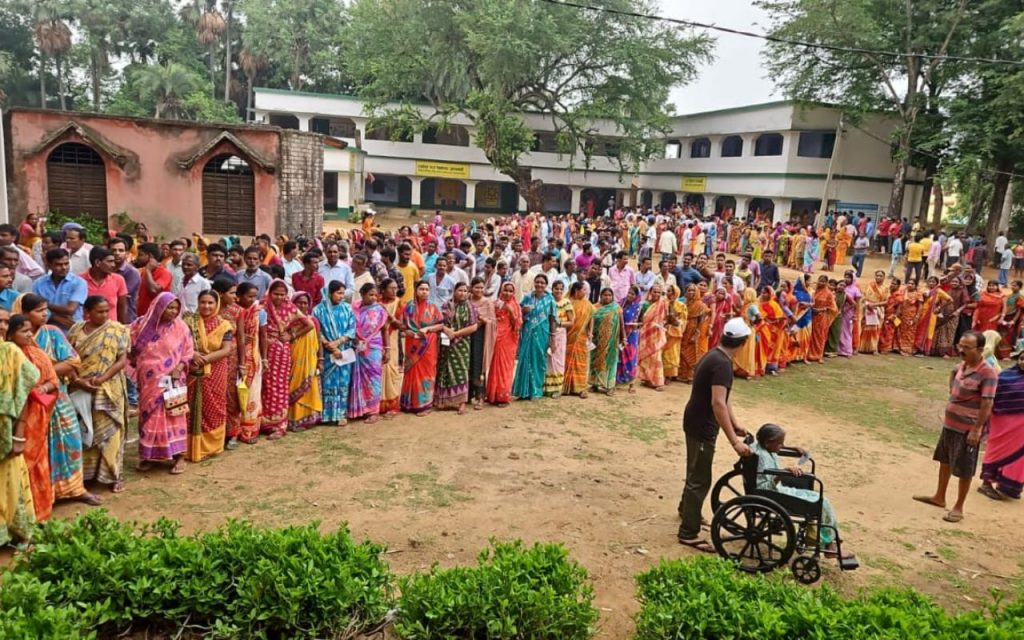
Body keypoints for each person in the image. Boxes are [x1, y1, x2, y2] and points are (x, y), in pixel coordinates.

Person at [16, 293, 102, 507]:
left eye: (46, 309)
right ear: (24, 314)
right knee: (40, 446)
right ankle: (45, 493)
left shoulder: (53, 333)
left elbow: (73, 362)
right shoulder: (16, 339)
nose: (45, 314)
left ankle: (75, 488)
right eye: (38, 311)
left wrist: (43, 375)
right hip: (32, 403)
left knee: (69, 441)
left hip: (58, 397)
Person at [677, 317, 753, 551]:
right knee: (699, 478)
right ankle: (688, 532)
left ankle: (687, 510)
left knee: (695, 470)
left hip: (695, 420)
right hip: (702, 426)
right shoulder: (722, 365)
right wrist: (734, 442)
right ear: (742, 343)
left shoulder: (714, 356)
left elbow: (723, 399)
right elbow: (718, 403)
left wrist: (735, 424)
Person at [914, 331, 997, 523]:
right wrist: (953, 390)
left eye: (966, 348)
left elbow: (987, 403)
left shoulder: (987, 372)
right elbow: (954, 372)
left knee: (964, 468)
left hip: (968, 429)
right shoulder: (963, 365)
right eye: (960, 345)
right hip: (950, 424)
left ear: (979, 349)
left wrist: (977, 429)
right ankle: (939, 497)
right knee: (945, 460)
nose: (961, 350)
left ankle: (959, 506)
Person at [752, 424, 853, 558]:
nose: (782, 446)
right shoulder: (761, 457)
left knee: (820, 499)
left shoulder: (763, 448)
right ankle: (830, 545)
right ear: (767, 442)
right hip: (773, 494)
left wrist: (791, 448)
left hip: (779, 490)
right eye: (780, 443)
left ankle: (831, 542)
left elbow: (772, 447)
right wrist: (782, 473)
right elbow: (762, 487)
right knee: (821, 503)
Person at [67, 297, 129, 493]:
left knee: (111, 431)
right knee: (85, 429)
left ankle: (114, 474)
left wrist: (102, 378)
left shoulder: (117, 330)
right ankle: (87, 474)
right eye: (99, 312)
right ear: (87, 312)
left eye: (106, 311)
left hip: (109, 387)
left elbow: (121, 360)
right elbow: (67, 357)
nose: (104, 315)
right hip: (80, 387)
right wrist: (77, 380)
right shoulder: (76, 330)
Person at [130, 292, 194, 475]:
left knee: (174, 414)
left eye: (176, 308)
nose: (173, 311)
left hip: (173, 377)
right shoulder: (141, 325)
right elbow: (129, 346)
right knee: (148, 416)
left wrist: (179, 367)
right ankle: (148, 456)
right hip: (149, 379)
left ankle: (179, 456)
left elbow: (188, 351)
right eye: (169, 307)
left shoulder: (181, 327)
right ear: (159, 307)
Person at [0, 308, 41, 544]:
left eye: (6, 322)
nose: (3, 327)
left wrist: (19, 434)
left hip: (6, 430)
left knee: (11, 480)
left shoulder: (11, 352)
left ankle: (17, 533)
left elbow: (25, 394)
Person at [183, 290, 235, 462]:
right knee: (190, 406)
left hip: (216, 370)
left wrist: (203, 359)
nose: (206, 306)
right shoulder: (189, 322)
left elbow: (226, 350)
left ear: (217, 304)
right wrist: (193, 355)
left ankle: (211, 446)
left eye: (210, 303)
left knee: (214, 406)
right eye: (203, 302)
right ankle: (188, 446)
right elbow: (182, 344)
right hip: (192, 369)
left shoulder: (224, 325)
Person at [261, 280, 312, 439]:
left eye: (282, 294)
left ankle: (279, 425)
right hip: (263, 349)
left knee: (279, 386)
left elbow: (309, 324)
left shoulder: (290, 307)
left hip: (281, 350)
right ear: (269, 293)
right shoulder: (262, 306)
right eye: (276, 294)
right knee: (265, 385)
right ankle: (263, 422)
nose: (279, 297)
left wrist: (292, 334)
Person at [979, 350, 1024, 500]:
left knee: (1019, 457)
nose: (1023, 362)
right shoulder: (1005, 377)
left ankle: (1009, 486)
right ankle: (986, 483)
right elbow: (993, 398)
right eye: (1022, 359)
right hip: (1002, 423)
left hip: (1021, 427)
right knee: (996, 450)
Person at [313, 280, 356, 425]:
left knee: (343, 382)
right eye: (338, 293)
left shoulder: (347, 309)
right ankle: (327, 414)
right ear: (330, 293)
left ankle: (342, 414)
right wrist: (330, 346)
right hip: (326, 353)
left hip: (343, 353)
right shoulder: (318, 310)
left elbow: (351, 329)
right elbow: (317, 331)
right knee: (328, 384)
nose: (341, 296)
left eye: (343, 293)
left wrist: (338, 343)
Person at [349, 283, 389, 423]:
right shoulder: (353, 308)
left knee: (373, 380)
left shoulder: (379, 310)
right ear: (362, 294)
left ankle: (373, 411)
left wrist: (387, 349)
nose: (373, 298)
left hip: (374, 348)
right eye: (370, 295)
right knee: (357, 379)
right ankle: (359, 408)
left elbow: (385, 330)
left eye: (375, 295)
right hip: (356, 347)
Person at [513, 275, 558, 400]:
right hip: (527, 333)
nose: (539, 285)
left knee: (538, 361)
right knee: (524, 359)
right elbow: (519, 312)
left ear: (546, 285)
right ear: (534, 283)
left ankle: (536, 391)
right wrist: (524, 311)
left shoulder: (550, 300)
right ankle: (523, 391)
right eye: (537, 282)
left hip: (542, 333)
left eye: (542, 283)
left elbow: (553, 319)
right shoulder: (528, 297)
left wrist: (553, 338)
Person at [233, 283, 263, 443]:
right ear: (239, 295)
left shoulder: (259, 312)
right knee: (235, 395)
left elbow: (263, 335)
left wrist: (263, 358)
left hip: (254, 357)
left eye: (254, 296)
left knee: (251, 393)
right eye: (249, 296)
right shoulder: (234, 312)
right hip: (235, 357)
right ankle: (234, 430)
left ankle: (250, 430)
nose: (252, 300)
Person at [562, 281, 595, 397]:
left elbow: (591, 317)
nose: (585, 292)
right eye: (583, 290)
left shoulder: (587, 304)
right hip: (567, 336)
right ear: (576, 291)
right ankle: (566, 386)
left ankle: (580, 388)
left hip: (581, 337)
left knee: (581, 363)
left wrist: (590, 332)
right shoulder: (567, 302)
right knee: (566, 361)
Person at [589, 287, 623, 395]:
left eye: (609, 295)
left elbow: (621, 324)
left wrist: (624, 338)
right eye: (605, 295)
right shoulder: (594, 307)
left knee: (610, 362)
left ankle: (610, 386)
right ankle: (595, 384)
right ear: (600, 296)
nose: (607, 297)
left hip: (612, 341)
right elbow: (591, 323)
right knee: (595, 361)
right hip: (597, 339)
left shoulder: (616, 308)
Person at [468, 277, 496, 409]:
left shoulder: (488, 303)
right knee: (468, 363)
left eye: (481, 287)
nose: (479, 290)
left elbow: (492, 322)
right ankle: (468, 394)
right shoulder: (467, 301)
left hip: (481, 336)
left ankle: (480, 396)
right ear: (471, 288)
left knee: (478, 364)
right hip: (467, 335)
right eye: (476, 287)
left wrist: (483, 320)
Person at [543, 280, 574, 397]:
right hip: (547, 332)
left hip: (560, 334)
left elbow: (571, 322)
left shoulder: (566, 303)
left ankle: (557, 388)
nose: (558, 291)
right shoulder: (548, 301)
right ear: (552, 289)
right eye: (556, 288)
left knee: (558, 360)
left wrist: (559, 323)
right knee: (548, 359)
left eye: (561, 289)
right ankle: (546, 386)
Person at [378, 279, 403, 417]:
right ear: (383, 289)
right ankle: (378, 403)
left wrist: (390, 317)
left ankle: (392, 405)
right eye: (391, 288)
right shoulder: (376, 302)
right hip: (377, 340)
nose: (394, 291)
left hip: (392, 340)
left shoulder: (398, 303)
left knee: (391, 369)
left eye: (396, 288)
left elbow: (402, 325)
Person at [679, 284, 709, 383]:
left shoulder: (700, 305)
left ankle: (691, 376)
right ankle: (682, 374)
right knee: (682, 351)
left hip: (693, 329)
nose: (691, 292)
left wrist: (696, 334)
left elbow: (701, 320)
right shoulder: (684, 303)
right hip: (684, 328)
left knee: (692, 352)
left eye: (693, 291)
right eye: (689, 290)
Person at [807, 276, 836, 363]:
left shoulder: (829, 293)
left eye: (823, 282)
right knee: (811, 335)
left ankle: (819, 355)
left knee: (820, 336)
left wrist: (822, 309)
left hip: (822, 317)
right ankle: (809, 354)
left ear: (826, 283)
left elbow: (833, 308)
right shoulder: (813, 291)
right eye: (820, 281)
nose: (821, 283)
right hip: (812, 315)